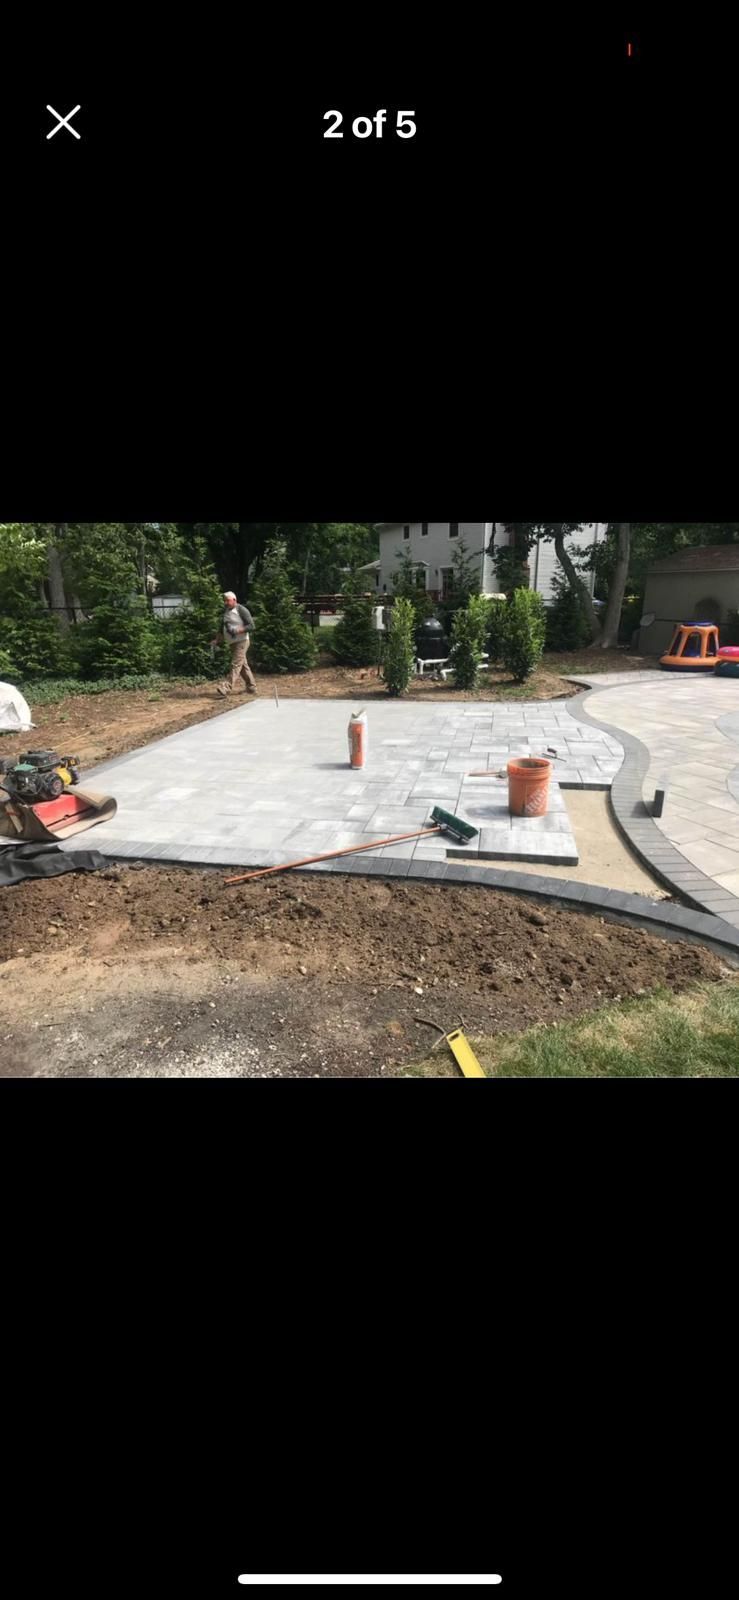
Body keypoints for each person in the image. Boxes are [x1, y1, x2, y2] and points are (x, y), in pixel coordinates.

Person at [212, 590, 258, 696]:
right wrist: (217, 639)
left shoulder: (241, 609)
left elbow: (251, 626)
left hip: (242, 641)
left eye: (227, 600)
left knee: (236, 664)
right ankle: (251, 688)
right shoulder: (226, 611)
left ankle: (226, 687)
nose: (226, 603)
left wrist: (238, 630)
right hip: (232, 643)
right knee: (242, 666)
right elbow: (221, 627)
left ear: (234, 600)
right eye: (225, 601)